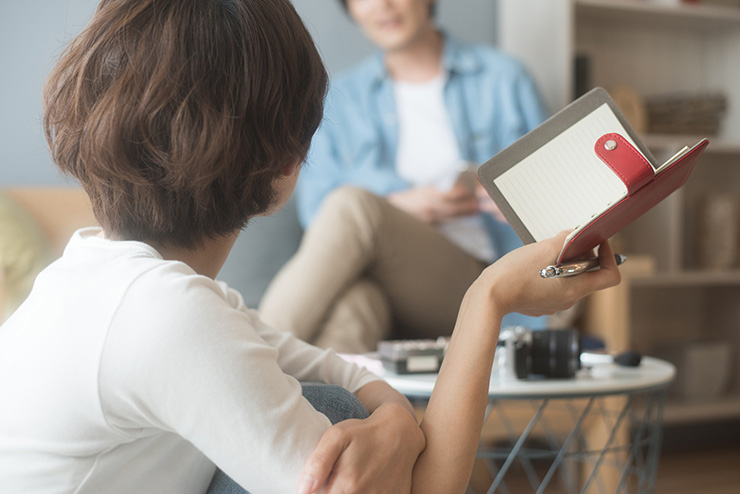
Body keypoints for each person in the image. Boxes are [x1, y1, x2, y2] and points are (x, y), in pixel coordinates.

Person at [0, 1, 620, 493]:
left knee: (328, 395)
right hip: (415, 275)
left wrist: (396, 420)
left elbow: (326, 364)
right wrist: (489, 299)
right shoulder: (174, 316)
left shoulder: (95, 276)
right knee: (336, 380)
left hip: (471, 257)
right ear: (288, 162)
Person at [258, 0, 551, 353]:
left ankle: (249, 360)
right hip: (377, 278)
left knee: (353, 205)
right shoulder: (342, 99)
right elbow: (316, 212)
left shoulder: (503, 78)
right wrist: (402, 206)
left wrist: (516, 200)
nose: (382, 5)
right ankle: (323, 408)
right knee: (357, 307)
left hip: (474, 279)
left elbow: (553, 191)